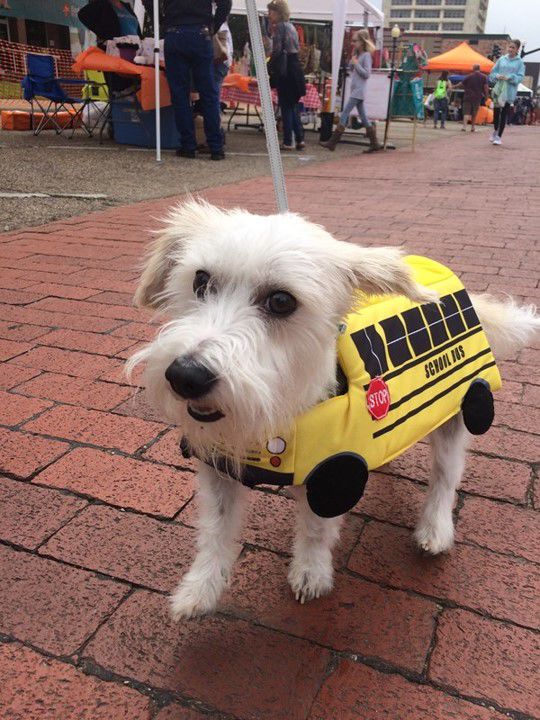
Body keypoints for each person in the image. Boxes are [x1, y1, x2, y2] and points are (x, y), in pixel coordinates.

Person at [144, 0, 231, 160]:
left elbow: (149, 2)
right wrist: (213, 26)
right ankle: (216, 147)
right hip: (201, 33)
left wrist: (162, 22)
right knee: (209, 94)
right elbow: (225, 3)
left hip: (175, 33)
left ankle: (188, 145)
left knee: (180, 94)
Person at [320, 29, 381, 152]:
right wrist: (352, 61)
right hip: (356, 90)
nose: (353, 43)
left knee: (345, 113)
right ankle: (374, 143)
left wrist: (356, 64)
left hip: (358, 90)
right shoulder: (359, 55)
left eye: (355, 41)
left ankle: (333, 142)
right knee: (363, 117)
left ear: (362, 41)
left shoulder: (366, 56)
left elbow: (367, 74)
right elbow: (352, 68)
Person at [267, 0, 306, 151]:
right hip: (295, 68)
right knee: (294, 106)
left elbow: (277, 50)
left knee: (286, 107)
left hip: (285, 70)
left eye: (271, 11)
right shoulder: (292, 27)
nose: (269, 15)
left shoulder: (280, 28)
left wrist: (269, 66)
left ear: (278, 12)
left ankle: (288, 141)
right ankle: (300, 138)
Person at [489, 39, 525, 146]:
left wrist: (509, 77)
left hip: (509, 91)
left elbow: (520, 77)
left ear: (517, 49)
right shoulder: (502, 59)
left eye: (513, 47)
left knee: (504, 113)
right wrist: (497, 76)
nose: (510, 49)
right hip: (498, 89)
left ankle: (499, 136)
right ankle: (495, 131)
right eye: (509, 47)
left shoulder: (520, 63)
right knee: (496, 113)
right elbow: (493, 72)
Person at [457, 64, 488, 133]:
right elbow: (486, 87)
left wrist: (453, 86)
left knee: (466, 112)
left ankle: (464, 127)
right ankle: (472, 127)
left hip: (467, 96)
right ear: (479, 69)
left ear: (473, 69)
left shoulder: (468, 76)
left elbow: (461, 84)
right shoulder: (484, 77)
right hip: (477, 97)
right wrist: (486, 96)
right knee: (474, 113)